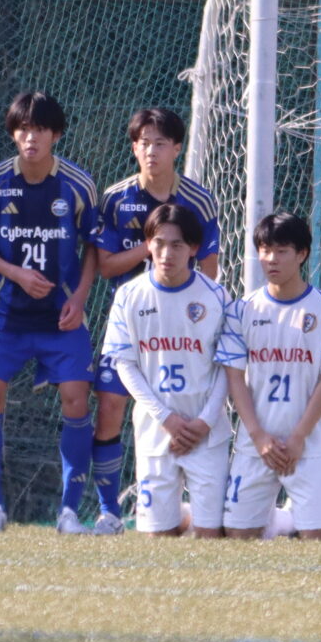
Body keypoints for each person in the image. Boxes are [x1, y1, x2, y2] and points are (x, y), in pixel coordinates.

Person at [0, 91, 102, 534]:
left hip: (62, 318)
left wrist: (80, 297)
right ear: (13, 134)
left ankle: (69, 513)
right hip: (5, 315)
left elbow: (94, 246)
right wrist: (15, 273)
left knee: (76, 398)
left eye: (40, 129)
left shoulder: (77, 185)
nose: (31, 138)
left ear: (55, 134)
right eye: (23, 129)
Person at [89, 107, 223, 522]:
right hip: (136, 325)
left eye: (160, 143)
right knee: (110, 407)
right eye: (144, 143)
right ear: (134, 148)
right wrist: (151, 247)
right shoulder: (115, 198)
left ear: (177, 148)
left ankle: (196, 506)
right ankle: (109, 511)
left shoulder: (199, 199)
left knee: (192, 403)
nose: (151, 151)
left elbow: (210, 270)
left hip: (184, 328)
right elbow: (106, 266)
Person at [100, 201, 237, 538]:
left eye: (177, 245)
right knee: (157, 538)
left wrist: (204, 422)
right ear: (148, 244)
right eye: (159, 243)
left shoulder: (217, 297)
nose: (166, 253)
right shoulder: (129, 295)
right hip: (156, 430)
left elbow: (228, 366)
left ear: (193, 248)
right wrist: (165, 418)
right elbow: (125, 365)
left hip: (206, 432)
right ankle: (181, 516)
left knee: (213, 538)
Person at [221, 211, 321, 540]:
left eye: (281, 251)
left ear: (302, 254)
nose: (271, 259)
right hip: (257, 441)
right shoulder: (242, 310)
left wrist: (298, 437)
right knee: (238, 535)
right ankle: (285, 521)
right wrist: (258, 436)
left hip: (308, 441)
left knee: (319, 539)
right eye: (265, 250)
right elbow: (234, 377)